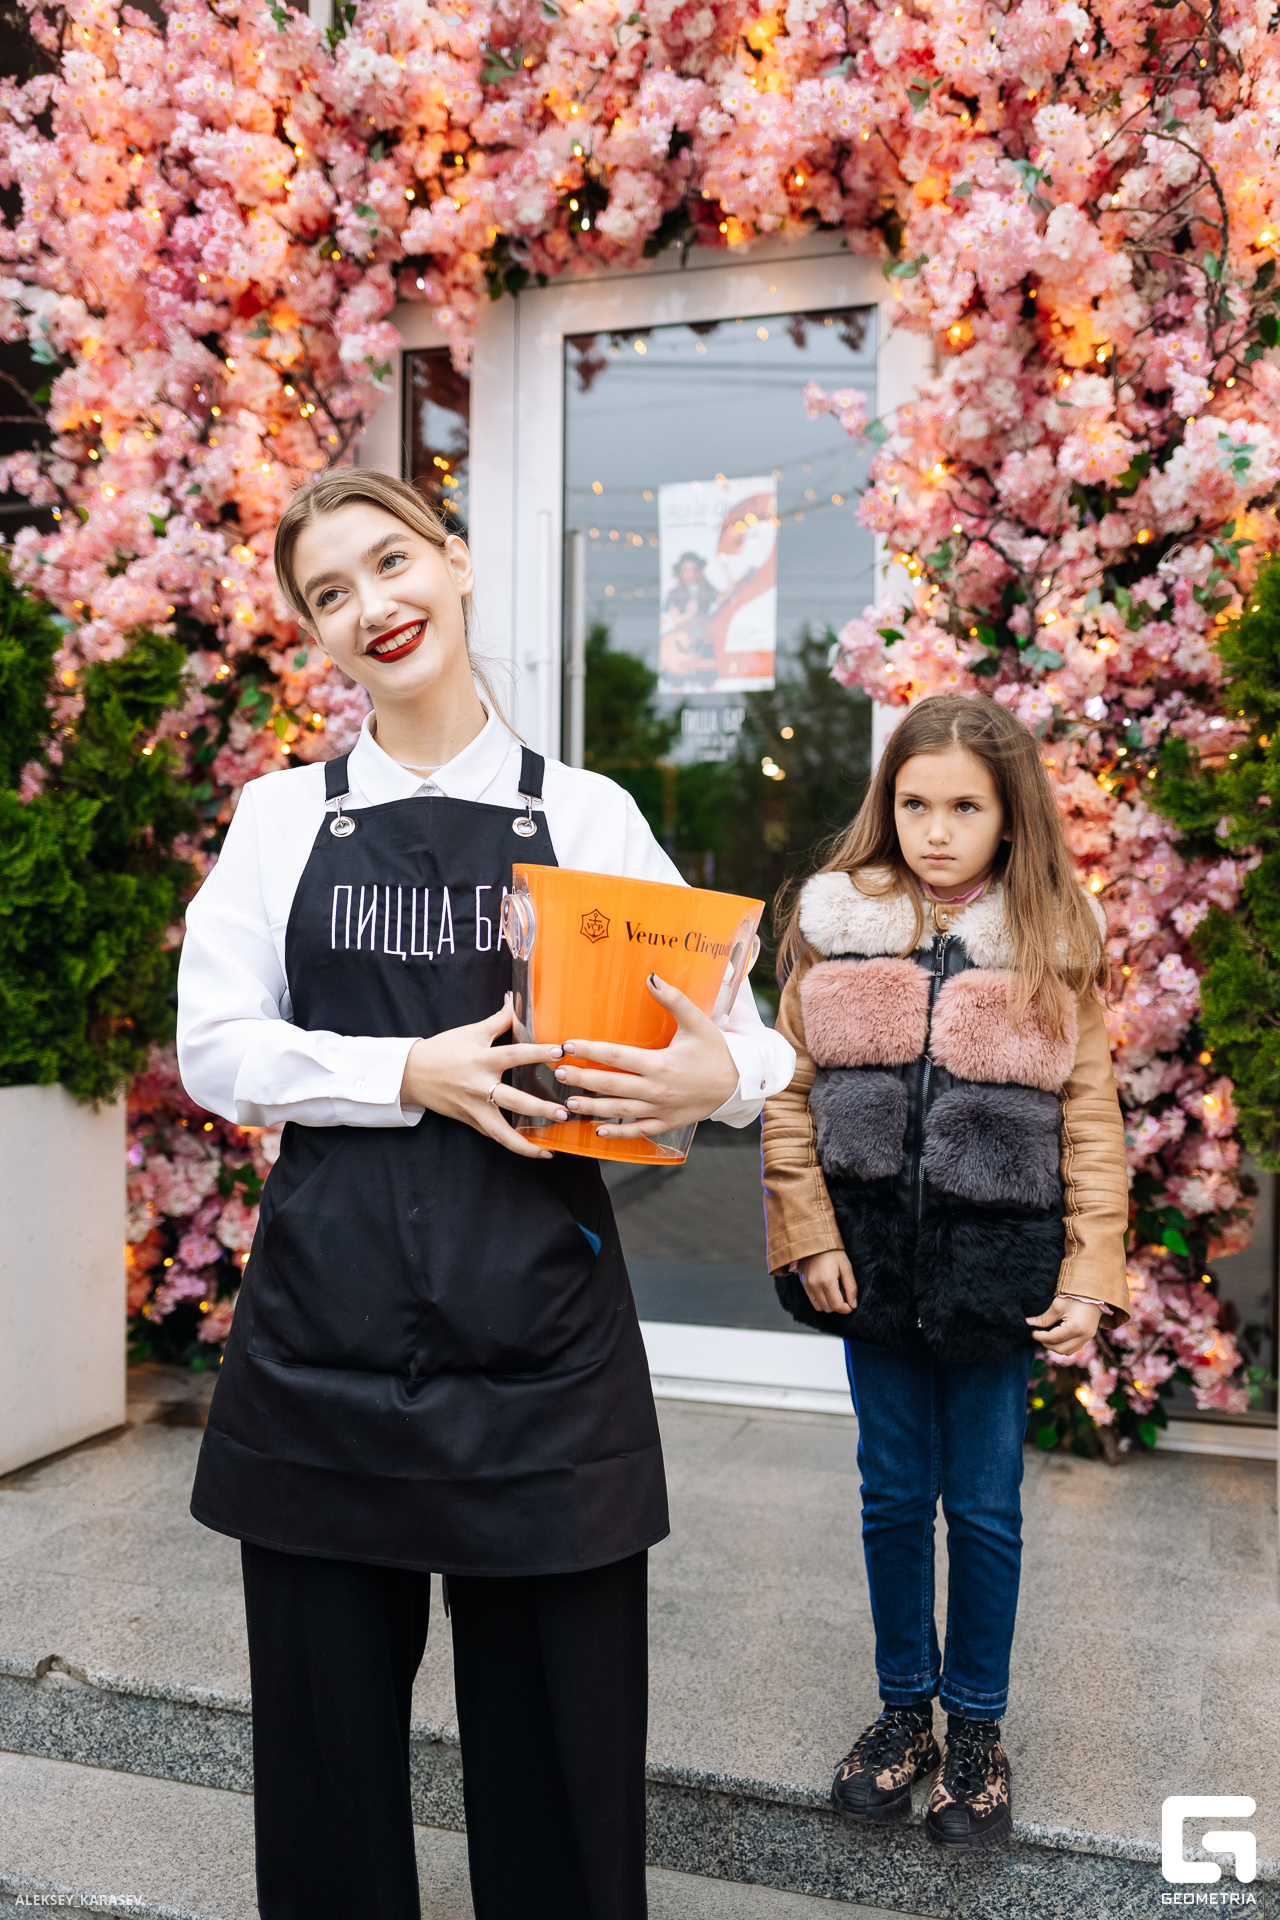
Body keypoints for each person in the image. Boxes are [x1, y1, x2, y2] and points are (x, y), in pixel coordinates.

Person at [176, 468, 795, 1920]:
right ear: (316, 636)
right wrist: (411, 1071)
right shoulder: (281, 818)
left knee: (562, 1774)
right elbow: (214, 1047)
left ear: (453, 563)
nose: (372, 606)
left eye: (391, 562)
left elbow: (745, 1037)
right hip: (323, 1349)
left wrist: (718, 1078)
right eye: (330, 594)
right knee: (326, 1780)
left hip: (544, 1356)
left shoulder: (585, 812)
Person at [761, 693, 1128, 1848]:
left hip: (992, 1272)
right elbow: (786, 1095)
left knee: (981, 1507)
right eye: (914, 804)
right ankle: (900, 1713)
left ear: (1008, 817)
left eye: (963, 807)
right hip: (868, 1266)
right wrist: (809, 1231)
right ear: (888, 804)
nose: (934, 830)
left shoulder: (1051, 942)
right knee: (888, 1497)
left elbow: (1090, 1120)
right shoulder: (838, 925)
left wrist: (1089, 1268)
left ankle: (974, 1726)